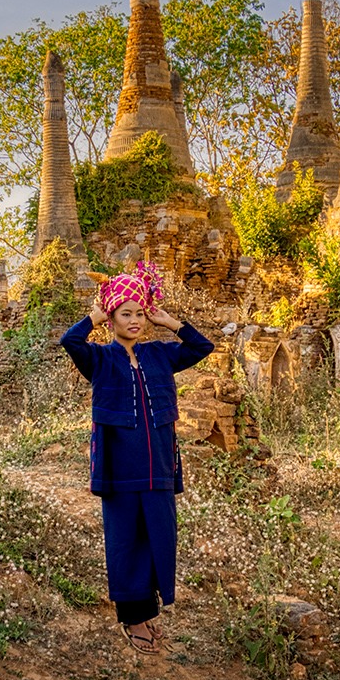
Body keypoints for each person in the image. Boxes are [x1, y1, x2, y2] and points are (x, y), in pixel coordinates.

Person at [59, 262, 214, 655]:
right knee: (126, 540)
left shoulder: (160, 355)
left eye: (139, 312)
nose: (134, 320)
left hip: (158, 465)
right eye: (125, 313)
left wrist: (171, 322)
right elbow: (70, 341)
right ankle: (133, 619)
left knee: (158, 536)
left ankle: (150, 612)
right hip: (119, 467)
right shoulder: (99, 359)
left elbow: (202, 347)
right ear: (111, 319)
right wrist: (96, 312)